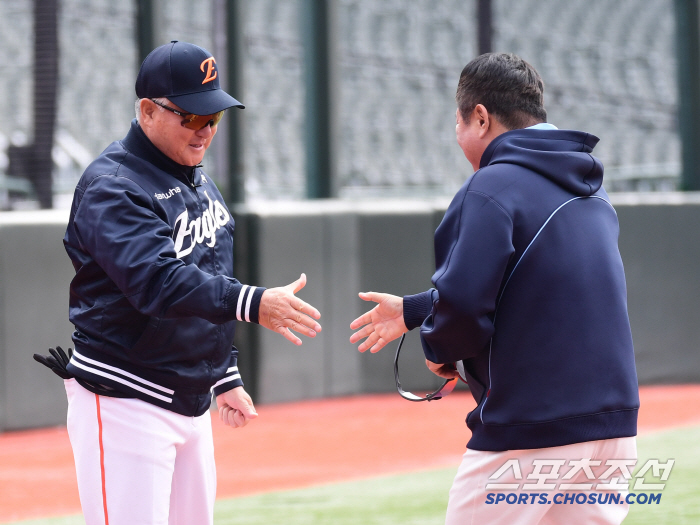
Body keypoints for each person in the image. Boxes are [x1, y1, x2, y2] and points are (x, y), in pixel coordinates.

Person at [38, 41, 322, 525]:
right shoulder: (113, 186)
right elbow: (159, 283)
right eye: (191, 117)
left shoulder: (193, 175)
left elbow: (211, 269)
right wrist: (252, 303)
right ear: (148, 111)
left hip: (189, 400)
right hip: (125, 398)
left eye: (214, 117)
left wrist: (224, 371)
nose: (206, 130)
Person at [350, 53, 639, 525]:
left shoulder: (490, 186)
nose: (459, 136)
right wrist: (417, 309)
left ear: (480, 117)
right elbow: (536, 282)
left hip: (529, 429)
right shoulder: (590, 187)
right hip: (613, 431)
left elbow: (464, 304)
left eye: (459, 123)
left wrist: (438, 346)